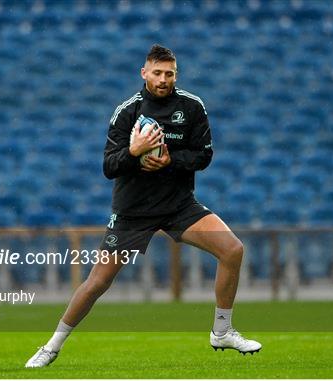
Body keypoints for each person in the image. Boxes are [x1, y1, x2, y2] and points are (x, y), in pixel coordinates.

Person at [25, 44, 262, 368]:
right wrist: (135, 151)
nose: (163, 79)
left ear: (175, 74)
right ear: (144, 73)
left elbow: (203, 156)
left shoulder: (192, 107)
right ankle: (52, 346)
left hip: (179, 206)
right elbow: (110, 166)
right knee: (98, 282)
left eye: (170, 73)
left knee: (232, 250)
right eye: (157, 73)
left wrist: (169, 160)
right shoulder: (128, 112)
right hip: (133, 210)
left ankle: (222, 330)